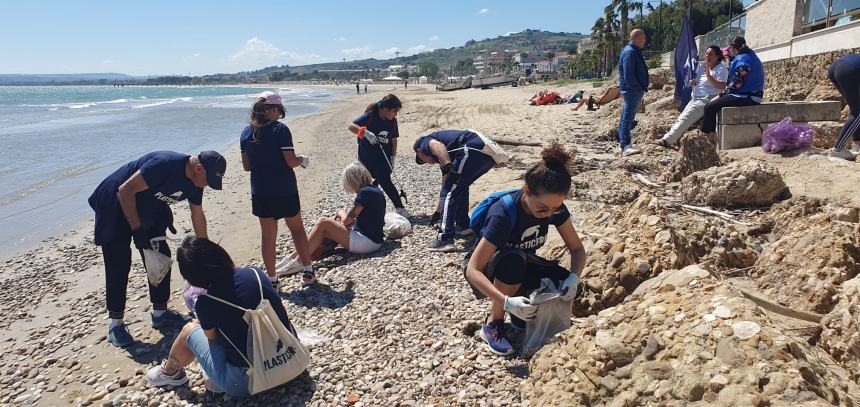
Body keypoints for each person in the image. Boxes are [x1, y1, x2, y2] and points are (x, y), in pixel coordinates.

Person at [88, 149, 226, 347]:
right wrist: (136, 230)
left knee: (161, 255)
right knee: (118, 262)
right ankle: (115, 324)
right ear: (198, 168)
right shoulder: (164, 165)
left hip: (147, 205)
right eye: (208, 180)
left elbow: (197, 214)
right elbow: (125, 190)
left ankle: (160, 313)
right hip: (115, 201)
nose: (207, 185)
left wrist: (205, 251)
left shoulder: (196, 181)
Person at [464, 143, 586, 356]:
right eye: (542, 208)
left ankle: (521, 316)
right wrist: (506, 302)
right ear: (527, 191)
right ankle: (494, 322)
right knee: (513, 261)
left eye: (555, 208)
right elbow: (473, 269)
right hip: (493, 267)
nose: (548, 215)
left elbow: (576, 249)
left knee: (561, 281)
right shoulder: (503, 213)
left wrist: (573, 279)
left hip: (523, 262)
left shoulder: (553, 209)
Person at [146, 237, 297, 397]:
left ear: (192, 279)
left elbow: (213, 339)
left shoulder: (206, 302)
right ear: (220, 254)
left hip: (249, 383)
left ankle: (169, 372)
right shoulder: (256, 274)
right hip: (293, 361)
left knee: (190, 330)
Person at [240, 92, 314, 287]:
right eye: (279, 110)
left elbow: (246, 166)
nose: (280, 114)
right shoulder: (280, 130)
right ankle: (308, 271)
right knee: (297, 230)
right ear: (272, 109)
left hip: (260, 191)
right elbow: (290, 161)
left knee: (268, 236)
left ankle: (272, 279)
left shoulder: (246, 133)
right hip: (284, 188)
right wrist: (302, 160)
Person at [280, 163, 386, 271]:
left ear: (352, 180)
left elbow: (346, 220)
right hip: (374, 240)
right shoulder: (375, 190)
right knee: (325, 228)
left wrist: (341, 213)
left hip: (368, 242)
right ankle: (292, 258)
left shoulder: (364, 193)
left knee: (323, 222)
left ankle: (300, 261)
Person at [414, 130, 497, 252]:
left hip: (473, 148)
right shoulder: (444, 157)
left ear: (419, 152)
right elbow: (445, 186)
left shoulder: (423, 142)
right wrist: (437, 212)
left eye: (423, 160)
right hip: (488, 154)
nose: (427, 163)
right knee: (458, 187)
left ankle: (445, 239)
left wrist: (447, 165)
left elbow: (437, 145)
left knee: (450, 192)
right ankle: (462, 225)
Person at [347, 94, 411, 218]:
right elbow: (351, 126)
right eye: (395, 111)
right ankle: (365, 211)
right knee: (366, 185)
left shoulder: (392, 122)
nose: (396, 114)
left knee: (386, 182)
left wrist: (393, 157)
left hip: (383, 158)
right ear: (385, 109)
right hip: (366, 159)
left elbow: (393, 140)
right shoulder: (370, 116)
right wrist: (365, 133)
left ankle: (400, 208)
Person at [654, 45, 729, 148]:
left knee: (686, 118)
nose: (707, 56)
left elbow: (722, 86)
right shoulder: (702, 66)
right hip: (695, 97)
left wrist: (709, 77)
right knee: (681, 118)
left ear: (717, 56)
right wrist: (693, 82)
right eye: (706, 53)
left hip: (707, 98)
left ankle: (666, 140)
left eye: (711, 54)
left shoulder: (721, 68)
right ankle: (673, 139)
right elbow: (699, 81)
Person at [701, 37, 765, 142]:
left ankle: (707, 139)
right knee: (713, 106)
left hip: (748, 97)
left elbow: (737, 84)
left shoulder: (742, 61)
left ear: (734, 48)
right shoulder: (749, 55)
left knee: (709, 107)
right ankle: (710, 136)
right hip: (750, 94)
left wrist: (721, 95)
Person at [617, 29, 649, 157]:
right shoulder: (630, 52)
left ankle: (622, 142)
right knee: (628, 117)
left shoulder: (631, 51)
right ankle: (625, 145)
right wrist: (637, 88)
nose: (645, 41)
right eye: (643, 38)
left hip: (631, 90)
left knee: (626, 116)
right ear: (637, 39)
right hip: (631, 90)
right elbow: (628, 74)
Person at [827, 54, 860, 160]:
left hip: (835, 67)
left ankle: (857, 144)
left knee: (855, 107)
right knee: (858, 112)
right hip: (848, 70)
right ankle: (838, 150)